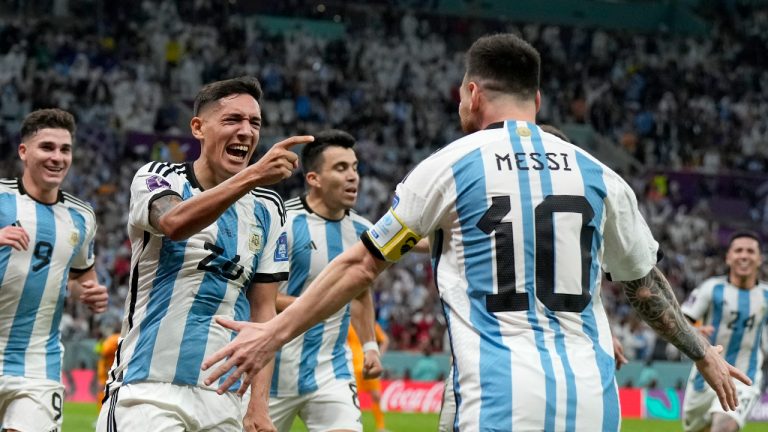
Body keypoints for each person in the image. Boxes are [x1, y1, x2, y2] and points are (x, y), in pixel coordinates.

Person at [202, 34, 750, 431]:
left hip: (498, 398)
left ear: (471, 93)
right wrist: (702, 352)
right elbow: (645, 288)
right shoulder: (600, 175)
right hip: (593, 401)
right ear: (537, 102)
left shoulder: (451, 166)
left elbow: (363, 264)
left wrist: (272, 332)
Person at [96, 76, 313, 432]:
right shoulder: (159, 177)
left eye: (254, 123)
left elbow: (263, 312)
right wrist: (253, 175)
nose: (246, 131)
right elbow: (174, 222)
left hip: (223, 399)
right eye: (233, 120)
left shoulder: (269, 208)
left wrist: (258, 405)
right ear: (198, 127)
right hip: (148, 389)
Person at [262, 129, 384, 432]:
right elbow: (259, 296)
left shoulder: (362, 231)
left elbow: (359, 293)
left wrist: (370, 345)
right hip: (269, 372)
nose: (353, 176)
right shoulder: (281, 221)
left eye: (354, 167)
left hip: (330, 371)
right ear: (314, 178)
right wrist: (319, 303)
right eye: (341, 168)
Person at [0, 108, 109, 432]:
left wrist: (89, 292)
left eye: (65, 149)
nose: (57, 157)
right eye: (47, 147)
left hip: (37, 362)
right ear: (24, 151)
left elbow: (79, 277)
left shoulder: (81, 216)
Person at [681, 231, 767, 432]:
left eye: (750, 251)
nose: (744, 256)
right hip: (704, 377)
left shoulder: (765, 295)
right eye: (738, 250)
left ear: (759, 259)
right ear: (728, 257)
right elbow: (681, 319)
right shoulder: (711, 288)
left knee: (723, 427)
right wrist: (693, 330)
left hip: (745, 377)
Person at [347, 321, 390, 432]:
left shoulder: (370, 323)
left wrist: (378, 356)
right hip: (353, 367)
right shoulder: (348, 324)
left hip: (369, 365)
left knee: (376, 396)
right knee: (351, 398)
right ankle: (350, 426)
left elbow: (385, 340)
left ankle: (381, 427)